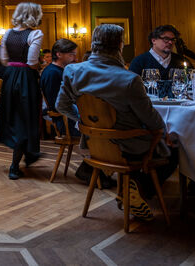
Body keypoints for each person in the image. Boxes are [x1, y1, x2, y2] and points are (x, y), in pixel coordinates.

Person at [56, 24, 178, 220]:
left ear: (94, 44)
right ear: (120, 46)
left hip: (95, 144)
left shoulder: (72, 70)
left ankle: (129, 188)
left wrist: (85, 121)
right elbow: (152, 121)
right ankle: (137, 191)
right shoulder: (129, 79)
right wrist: (164, 134)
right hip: (128, 146)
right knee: (174, 149)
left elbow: (61, 106)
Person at [0, 2, 44, 180]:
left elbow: (3, 59)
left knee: (15, 117)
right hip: (26, 78)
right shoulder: (35, 33)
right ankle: (18, 162)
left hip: (10, 77)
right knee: (27, 117)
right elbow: (32, 62)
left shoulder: (7, 33)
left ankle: (26, 155)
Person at [40, 39, 78, 136]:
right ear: (59, 55)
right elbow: (57, 105)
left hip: (69, 118)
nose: (75, 59)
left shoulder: (57, 70)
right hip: (66, 122)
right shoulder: (53, 73)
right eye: (71, 54)